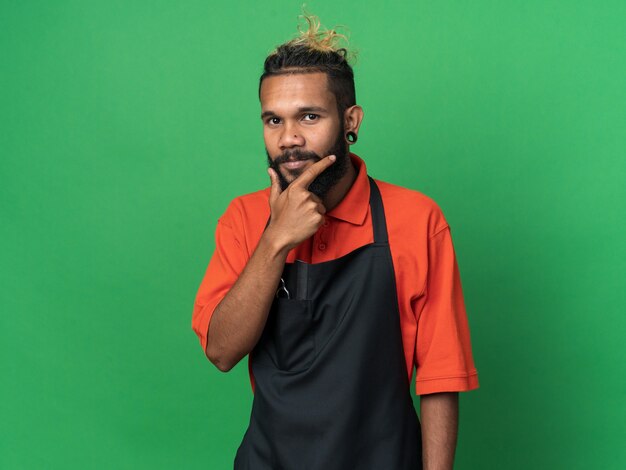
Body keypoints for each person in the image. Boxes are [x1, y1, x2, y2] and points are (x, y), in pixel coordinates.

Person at [192, 13, 479, 470]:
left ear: (351, 120)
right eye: (273, 120)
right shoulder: (243, 220)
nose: (289, 139)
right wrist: (275, 241)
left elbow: (441, 377)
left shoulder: (417, 219)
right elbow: (222, 351)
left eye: (309, 116)